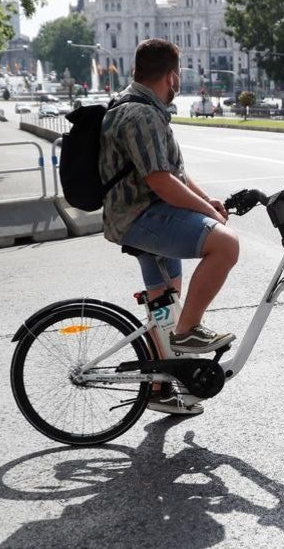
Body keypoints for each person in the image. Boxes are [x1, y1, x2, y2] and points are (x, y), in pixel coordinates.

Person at [100, 39, 239, 415]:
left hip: (137, 215)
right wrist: (208, 214)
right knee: (225, 245)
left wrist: (206, 201)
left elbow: (174, 172)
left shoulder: (140, 106)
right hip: (143, 217)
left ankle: (160, 386)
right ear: (172, 74)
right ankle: (188, 332)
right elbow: (161, 181)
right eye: (179, 73)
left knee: (165, 306)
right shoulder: (142, 115)